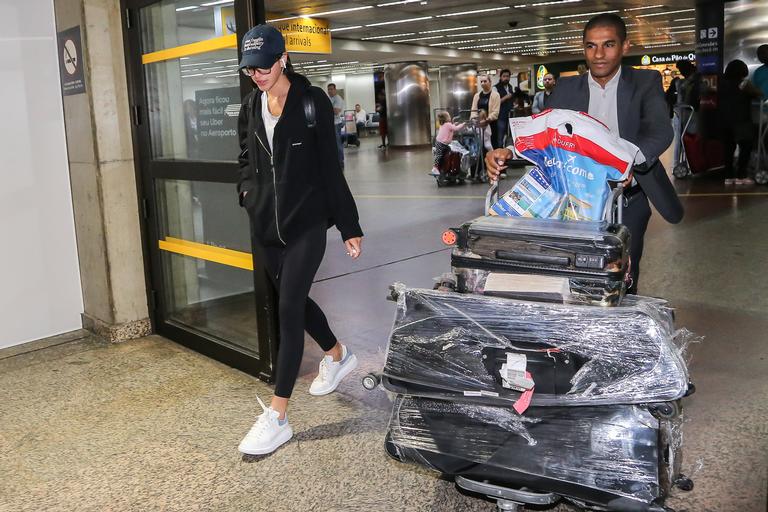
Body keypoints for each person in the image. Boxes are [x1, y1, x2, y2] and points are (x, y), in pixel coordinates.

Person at [485, 13, 683, 294]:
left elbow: (659, 131)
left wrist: (624, 163)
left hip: (626, 199)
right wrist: (507, 151)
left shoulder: (645, 82)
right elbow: (547, 133)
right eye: (591, 46)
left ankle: (618, 330)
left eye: (608, 45)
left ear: (625, 46)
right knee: (573, 273)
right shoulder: (566, 88)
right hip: (574, 201)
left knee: (622, 276)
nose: (599, 54)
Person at [236, 25, 363, 456]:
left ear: (283, 58)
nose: (257, 75)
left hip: (307, 224)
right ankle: (338, 353)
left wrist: (349, 226)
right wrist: (248, 197)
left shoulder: (311, 103)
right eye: (250, 69)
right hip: (266, 229)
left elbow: (331, 167)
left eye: (264, 66)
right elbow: (245, 160)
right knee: (297, 301)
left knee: (288, 308)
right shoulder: (251, 106)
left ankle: (277, 417)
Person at [720, 59, 762, 185]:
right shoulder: (744, 84)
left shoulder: (721, 84)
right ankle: (741, 175)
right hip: (742, 120)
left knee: (728, 148)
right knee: (745, 147)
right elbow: (759, 94)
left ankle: (728, 176)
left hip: (725, 121)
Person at [431, 111, 466, 176]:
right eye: (449, 116)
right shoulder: (448, 125)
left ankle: (444, 167)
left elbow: (451, 128)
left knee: (443, 155)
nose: (450, 117)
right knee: (440, 155)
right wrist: (462, 124)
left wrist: (454, 124)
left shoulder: (444, 124)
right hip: (442, 143)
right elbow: (455, 129)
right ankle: (435, 168)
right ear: (447, 118)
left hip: (440, 142)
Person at [471, 74, 500, 150]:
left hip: (491, 124)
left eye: (485, 81)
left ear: (490, 82)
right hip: (479, 125)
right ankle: (481, 162)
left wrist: (487, 120)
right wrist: (474, 119)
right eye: (481, 81)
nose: (483, 83)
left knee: (492, 145)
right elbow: (473, 110)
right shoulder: (477, 96)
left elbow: (496, 112)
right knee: (480, 147)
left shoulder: (496, 95)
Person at [327, 83, 345, 168]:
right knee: (332, 144)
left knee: (337, 144)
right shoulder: (330, 98)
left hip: (336, 124)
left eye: (331, 89)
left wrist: (326, 109)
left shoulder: (338, 99)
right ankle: (335, 161)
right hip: (330, 124)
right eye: (328, 89)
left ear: (335, 89)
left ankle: (340, 161)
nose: (329, 91)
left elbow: (336, 111)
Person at [495, 69, 514, 148]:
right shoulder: (495, 88)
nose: (506, 78)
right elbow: (495, 103)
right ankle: (499, 153)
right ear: (500, 77)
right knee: (500, 137)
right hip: (500, 116)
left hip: (510, 116)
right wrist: (505, 97)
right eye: (504, 76)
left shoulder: (510, 87)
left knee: (510, 135)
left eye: (507, 76)